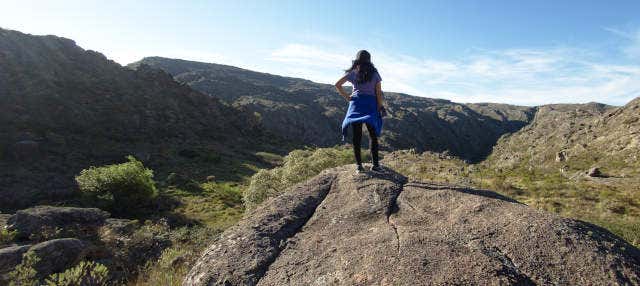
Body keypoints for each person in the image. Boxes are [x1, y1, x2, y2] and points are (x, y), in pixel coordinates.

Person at [334, 50, 386, 173]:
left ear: (357, 59)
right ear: (369, 59)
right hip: (370, 104)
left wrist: (349, 98)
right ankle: (376, 166)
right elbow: (378, 92)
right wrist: (380, 106)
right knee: (373, 135)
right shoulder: (374, 73)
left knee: (357, 136)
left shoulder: (353, 72)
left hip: (356, 104)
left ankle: (359, 166)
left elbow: (337, 85)